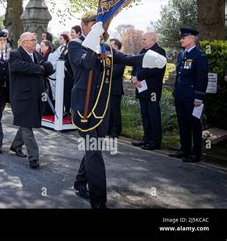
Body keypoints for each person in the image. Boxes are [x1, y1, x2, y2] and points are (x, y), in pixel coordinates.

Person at [68, 11, 167, 209]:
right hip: (84, 108)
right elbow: (87, 64)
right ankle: (98, 201)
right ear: (84, 25)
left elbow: (128, 59)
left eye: (101, 26)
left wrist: (149, 58)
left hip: (102, 108)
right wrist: (93, 40)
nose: (100, 29)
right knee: (95, 150)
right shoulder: (75, 45)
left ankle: (80, 182)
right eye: (95, 25)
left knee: (92, 149)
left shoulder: (106, 48)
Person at [9, 32, 54, 169]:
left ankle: (16, 145)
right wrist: (39, 68)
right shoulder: (14, 54)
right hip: (22, 97)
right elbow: (20, 66)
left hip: (36, 96)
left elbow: (47, 69)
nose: (35, 42)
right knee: (27, 126)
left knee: (25, 123)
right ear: (23, 42)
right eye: (32, 40)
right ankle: (34, 157)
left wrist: (44, 67)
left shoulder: (36, 54)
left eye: (36, 40)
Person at [169, 28, 208, 163]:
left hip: (192, 96)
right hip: (181, 94)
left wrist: (199, 97)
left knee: (194, 124)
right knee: (182, 123)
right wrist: (175, 92)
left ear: (192, 39)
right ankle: (184, 149)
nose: (181, 40)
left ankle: (195, 153)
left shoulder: (199, 56)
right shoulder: (182, 55)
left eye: (184, 38)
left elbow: (202, 78)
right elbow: (179, 76)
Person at [130, 32, 166, 150]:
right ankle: (146, 139)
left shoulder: (159, 52)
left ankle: (155, 142)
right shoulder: (142, 51)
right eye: (142, 39)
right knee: (145, 115)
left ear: (153, 40)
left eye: (145, 39)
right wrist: (133, 78)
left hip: (152, 90)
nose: (142, 41)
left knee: (153, 115)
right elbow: (135, 67)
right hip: (141, 89)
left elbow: (156, 70)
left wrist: (138, 76)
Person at [107, 38, 125, 138]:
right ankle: (108, 129)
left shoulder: (121, 58)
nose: (109, 48)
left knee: (115, 111)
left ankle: (116, 130)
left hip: (115, 89)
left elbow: (113, 73)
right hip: (108, 88)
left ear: (117, 47)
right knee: (108, 110)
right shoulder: (109, 58)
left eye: (112, 46)